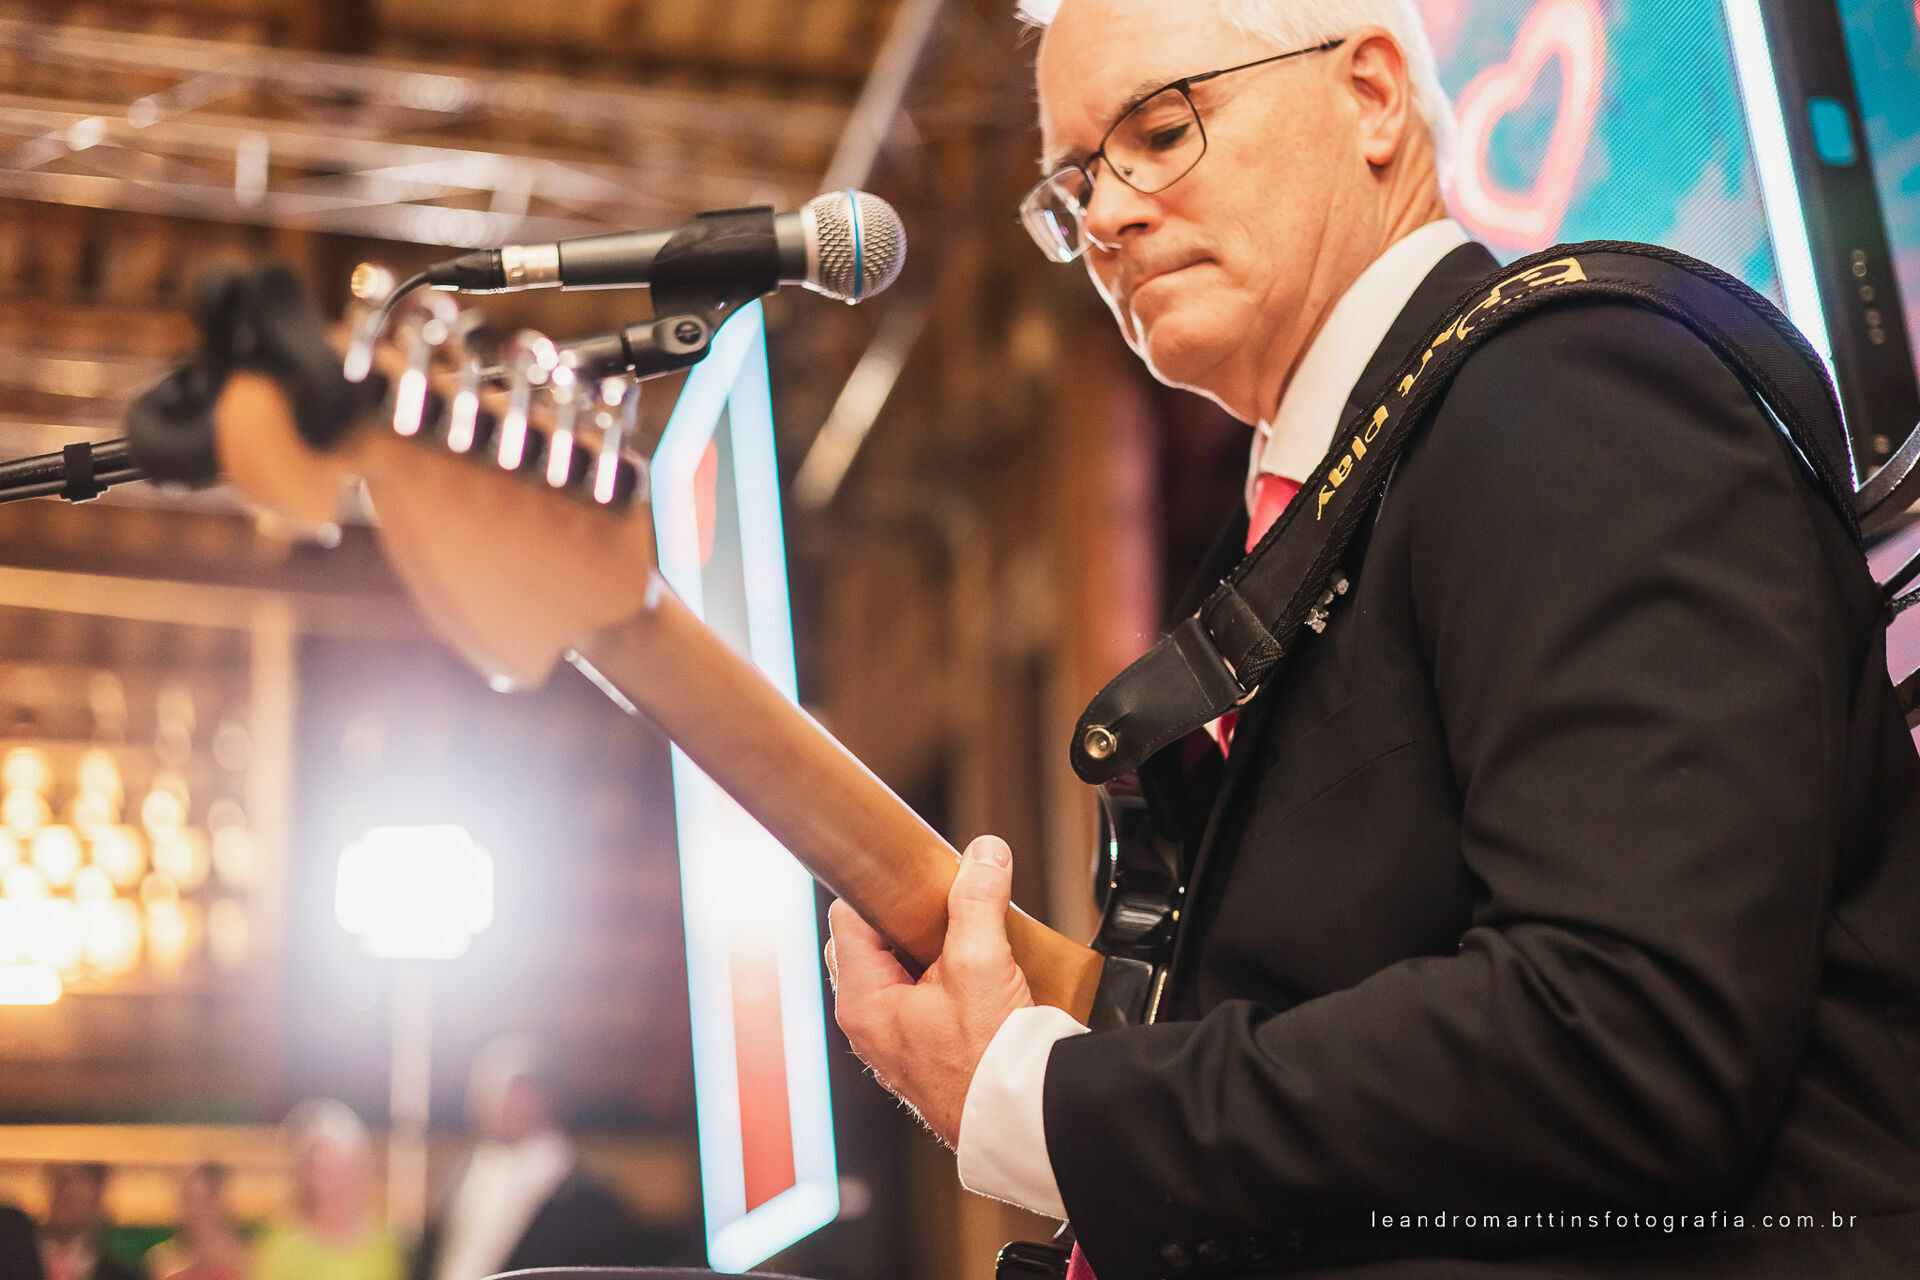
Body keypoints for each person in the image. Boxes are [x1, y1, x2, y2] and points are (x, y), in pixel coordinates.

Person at [824, 1, 1920, 1277]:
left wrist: (1043, 1104)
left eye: (1162, 130)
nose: (1108, 217)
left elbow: (1627, 1032)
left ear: (1376, 97)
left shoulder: (1574, 386)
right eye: (1074, 187)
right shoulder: (1298, 537)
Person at [412, 1034, 664, 1280]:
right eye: (482, 1089)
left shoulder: (585, 1194)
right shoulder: (469, 1168)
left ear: (544, 1096)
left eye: (502, 1089)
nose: (487, 1101)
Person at [251, 1101, 403, 1280]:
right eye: (324, 1170)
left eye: (344, 1168)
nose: (334, 1183)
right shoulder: (277, 1246)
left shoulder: (384, 1244)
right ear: (306, 1174)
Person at [145, 1164, 248, 1280]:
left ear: (219, 1201)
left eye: (202, 1201)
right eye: (187, 1200)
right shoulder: (163, 1259)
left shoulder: (247, 1257)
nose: (193, 1211)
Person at [37, 1164, 137, 1280]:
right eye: (63, 1182)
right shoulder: (21, 1255)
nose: (69, 1191)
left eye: (81, 1183)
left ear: (99, 1197)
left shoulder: (120, 1271)